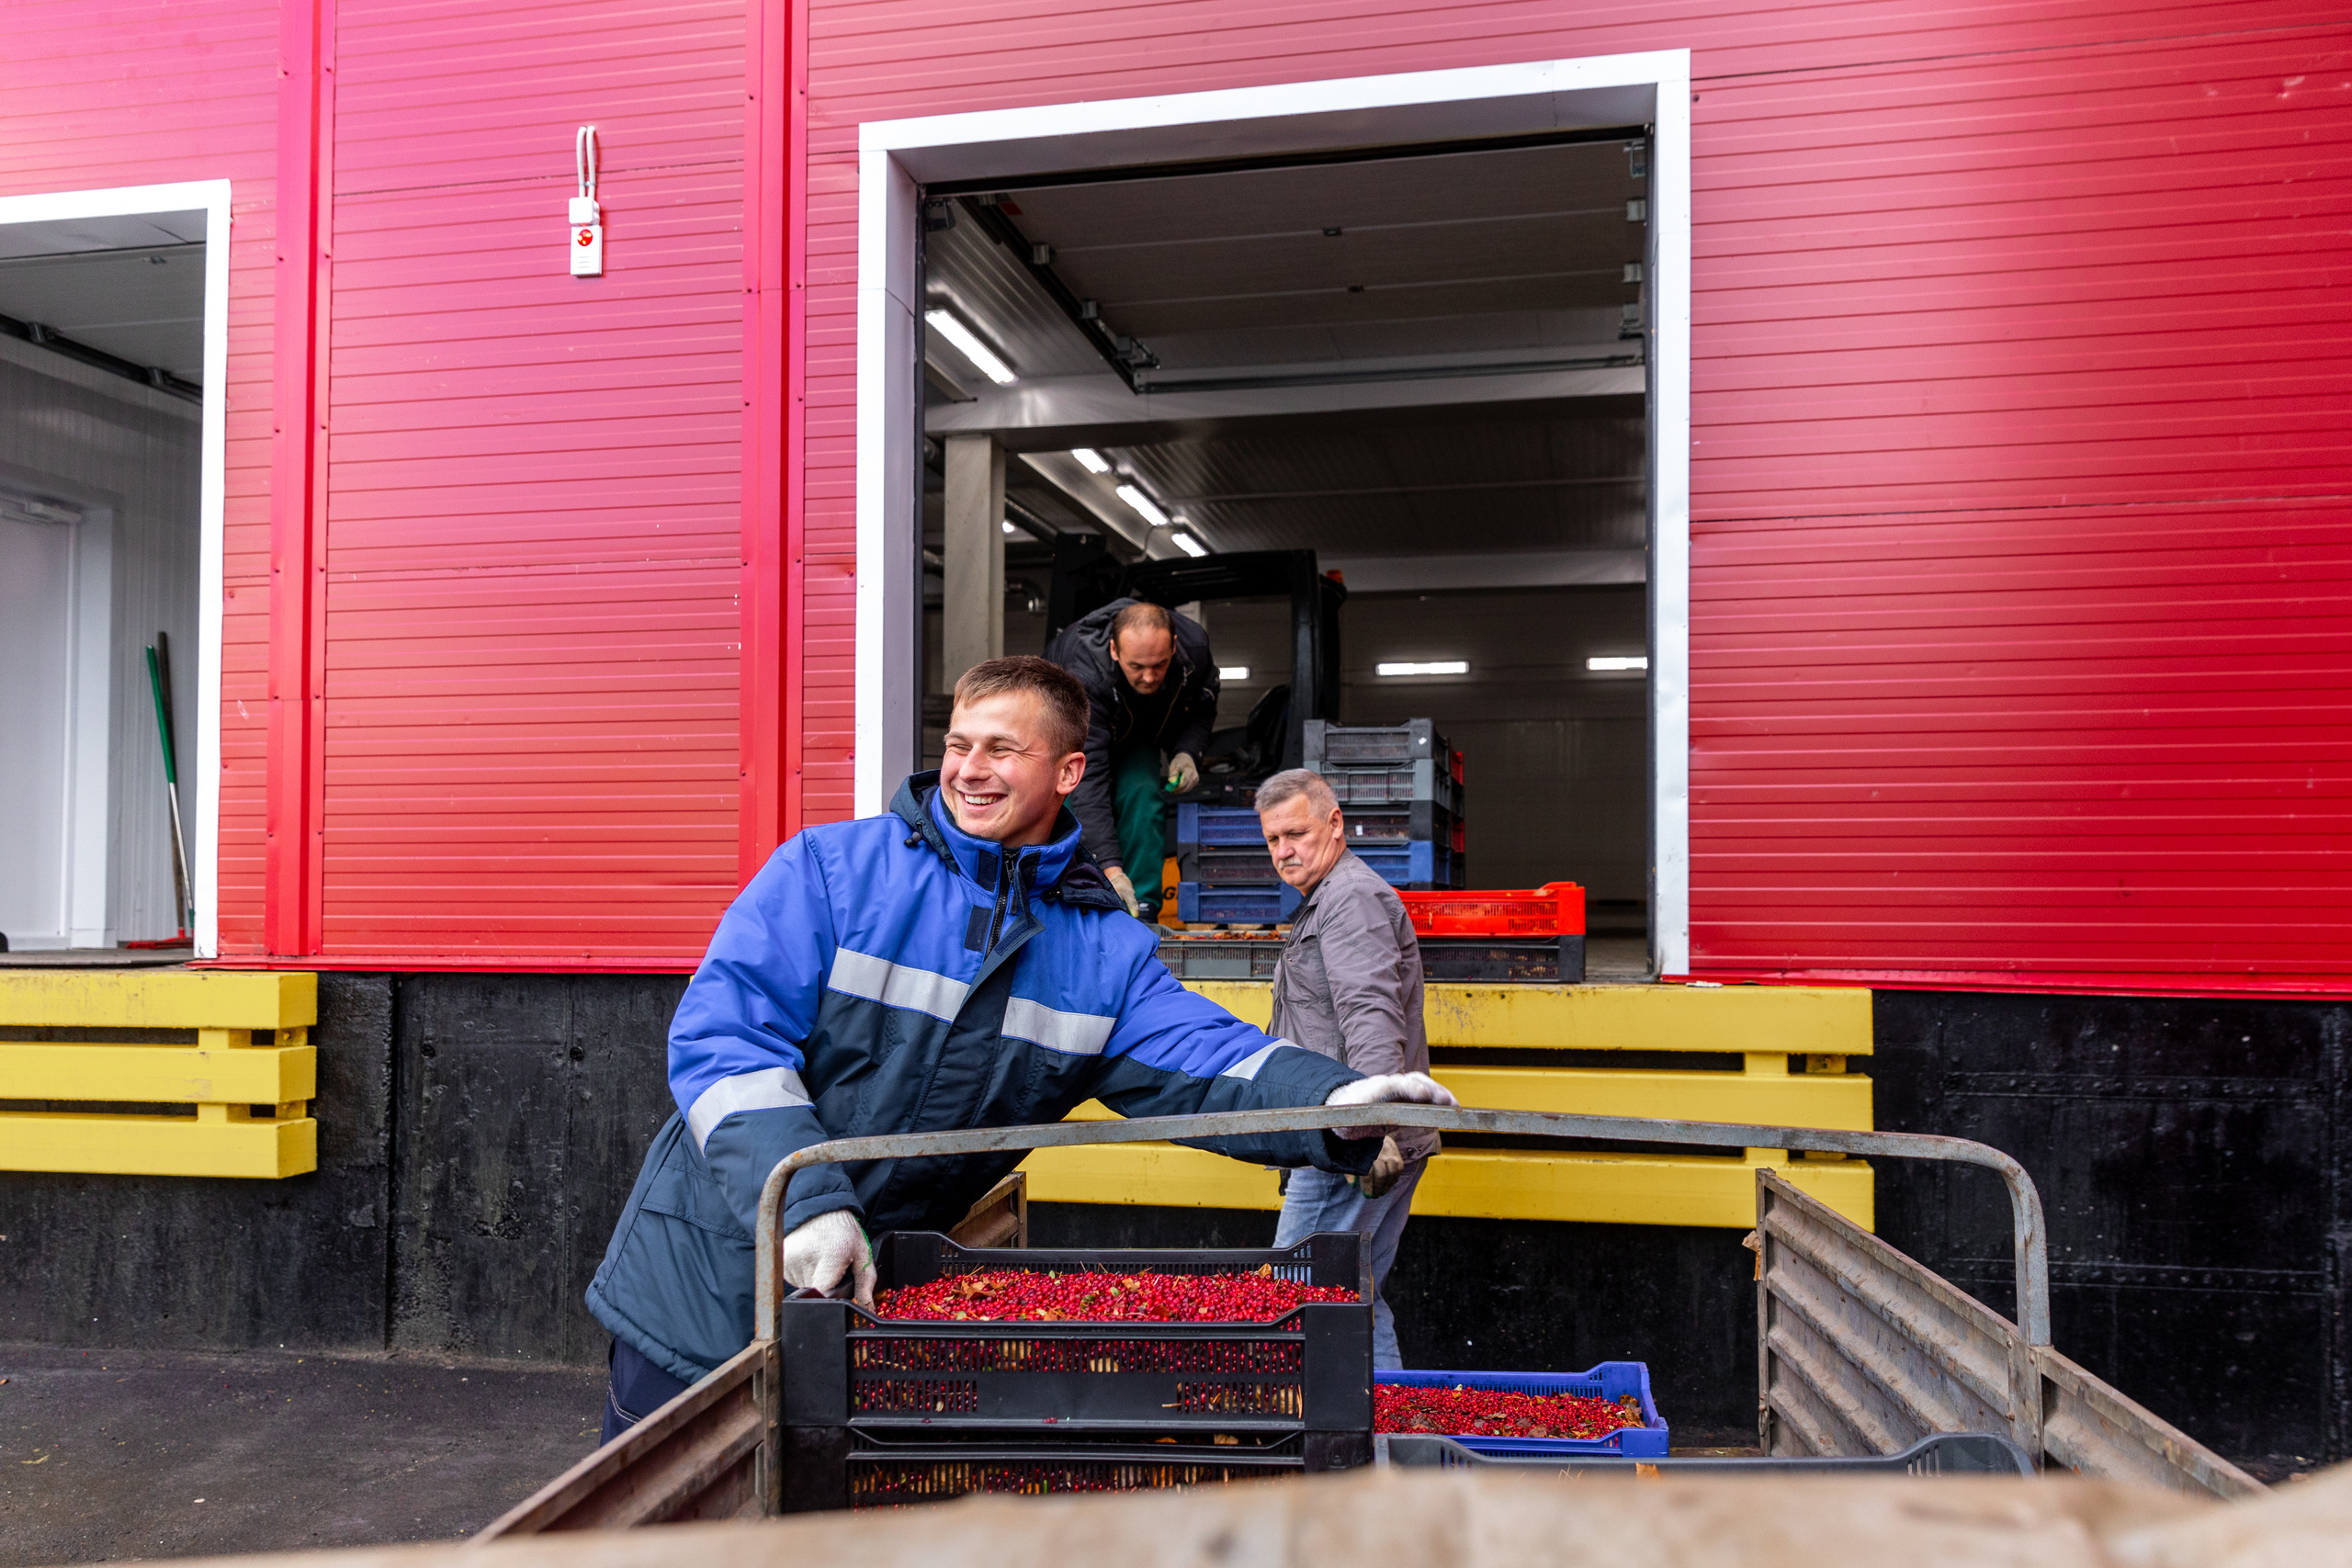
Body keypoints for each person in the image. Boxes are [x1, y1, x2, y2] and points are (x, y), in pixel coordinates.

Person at [583, 657, 1454, 1440]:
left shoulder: (1099, 952)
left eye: (1003, 749)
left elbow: (1204, 1057)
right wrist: (806, 1202)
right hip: (709, 1280)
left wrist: (1335, 1100)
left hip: (872, 1304)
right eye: (961, 742)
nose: (969, 767)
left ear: (1069, 772)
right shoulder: (831, 872)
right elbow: (726, 1038)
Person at [1255, 767, 1438, 1370]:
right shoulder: (1326, 901)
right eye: (1273, 839)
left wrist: (1373, 1128)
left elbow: (1370, 1016)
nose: (1285, 850)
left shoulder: (1350, 900)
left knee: (1298, 1286)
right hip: (1350, 1135)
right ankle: (1383, 1443)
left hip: (1351, 1142)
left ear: (1334, 824)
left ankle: (1338, 1444)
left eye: (1297, 833)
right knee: (1351, 1293)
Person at [1045, 599, 1219, 919]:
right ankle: (1086, 900)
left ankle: (1143, 908)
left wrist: (1187, 753)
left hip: (1137, 732)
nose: (1150, 677)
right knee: (1068, 809)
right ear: (1114, 650)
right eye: (1137, 667)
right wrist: (1111, 870)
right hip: (1072, 733)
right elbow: (1089, 783)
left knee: (1142, 793)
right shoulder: (1082, 673)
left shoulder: (1194, 650)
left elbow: (1201, 706)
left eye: (1159, 665)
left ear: (1175, 646)